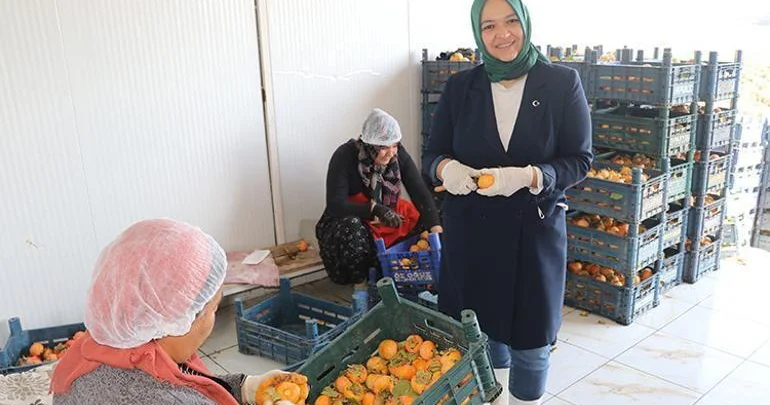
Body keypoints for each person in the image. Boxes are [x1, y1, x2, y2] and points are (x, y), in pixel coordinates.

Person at [422, 0, 592, 404]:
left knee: (530, 342)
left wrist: (532, 176)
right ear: (478, 33)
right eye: (489, 26)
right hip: (472, 236)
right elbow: (432, 154)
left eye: (511, 21)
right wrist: (448, 170)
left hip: (532, 234)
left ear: (526, 22)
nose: (502, 35)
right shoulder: (461, 87)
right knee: (477, 337)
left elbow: (580, 159)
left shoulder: (561, 82)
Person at [50, 219, 297, 405]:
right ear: (178, 322)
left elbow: (184, 379)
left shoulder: (92, 355)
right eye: (213, 310)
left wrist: (243, 387)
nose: (213, 322)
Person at [316, 108, 443, 287]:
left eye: (395, 145)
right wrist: (375, 209)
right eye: (383, 147)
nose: (391, 152)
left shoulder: (397, 154)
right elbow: (336, 205)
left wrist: (436, 233)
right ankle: (360, 288)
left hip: (386, 219)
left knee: (436, 212)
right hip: (355, 223)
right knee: (351, 228)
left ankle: (407, 274)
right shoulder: (344, 156)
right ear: (369, 144)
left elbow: (421, 194)